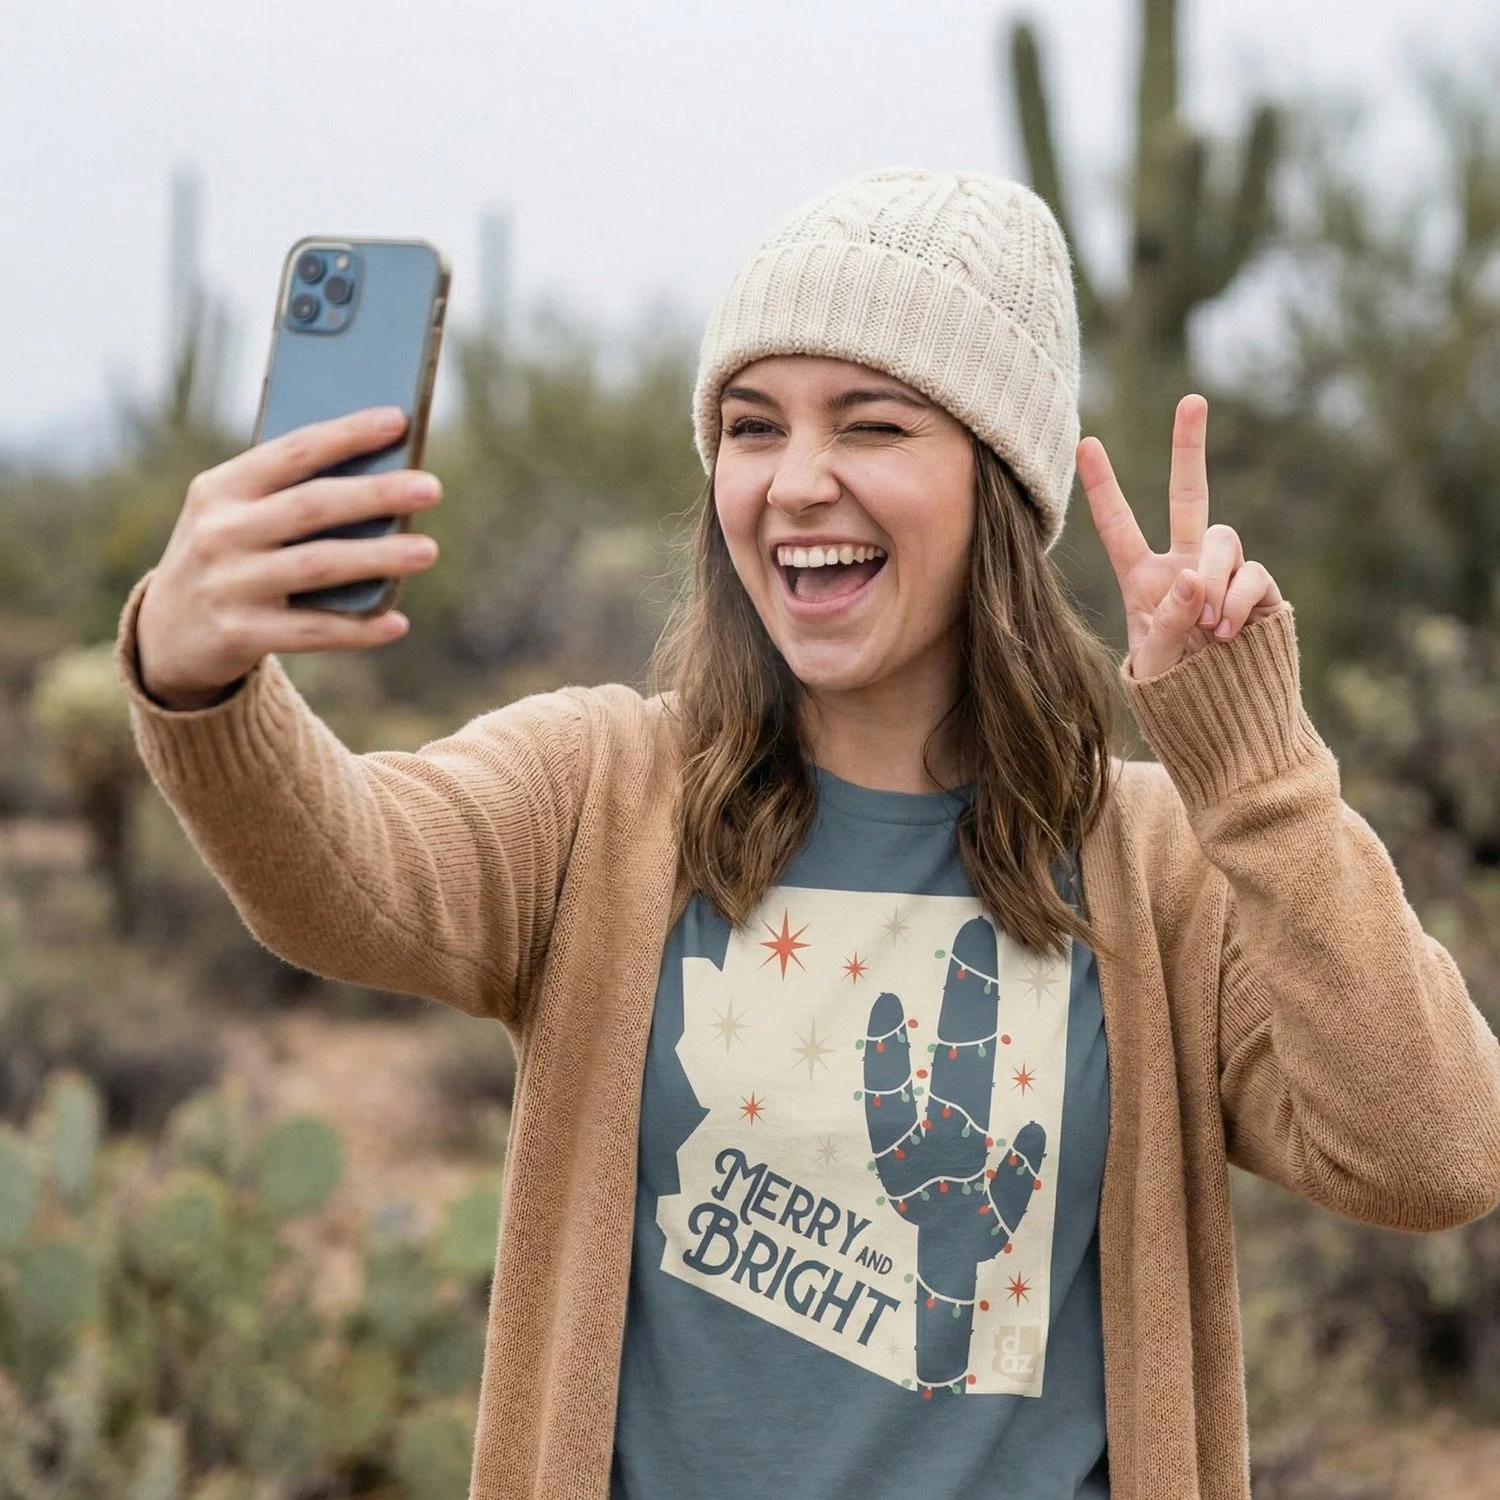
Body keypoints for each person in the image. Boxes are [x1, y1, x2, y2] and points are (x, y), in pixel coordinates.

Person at [116, 168, 1500, 1500]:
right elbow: (348, 876)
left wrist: (1256, 778)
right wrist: (201, 679)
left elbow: (1433, 1154)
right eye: (754, 426)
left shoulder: (1158, 876)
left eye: (873, 424)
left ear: (999, 489)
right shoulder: (602, 790)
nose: (794, 480)